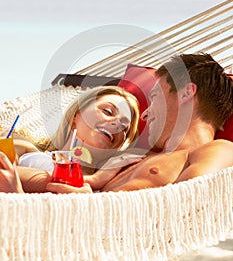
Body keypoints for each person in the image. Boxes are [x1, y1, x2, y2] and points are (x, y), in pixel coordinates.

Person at [2, 53, 233, 193]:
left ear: (185, 93)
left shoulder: (219, 150)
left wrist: (87, 201)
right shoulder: (135, 160)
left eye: (154, 98)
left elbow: (186, 200)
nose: (145, 115)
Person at [14, 85, 140, 174]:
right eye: (107, 111)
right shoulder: (24, 151)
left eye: (124, 128)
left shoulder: (110, 186)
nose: (117, 124)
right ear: (76, 114)